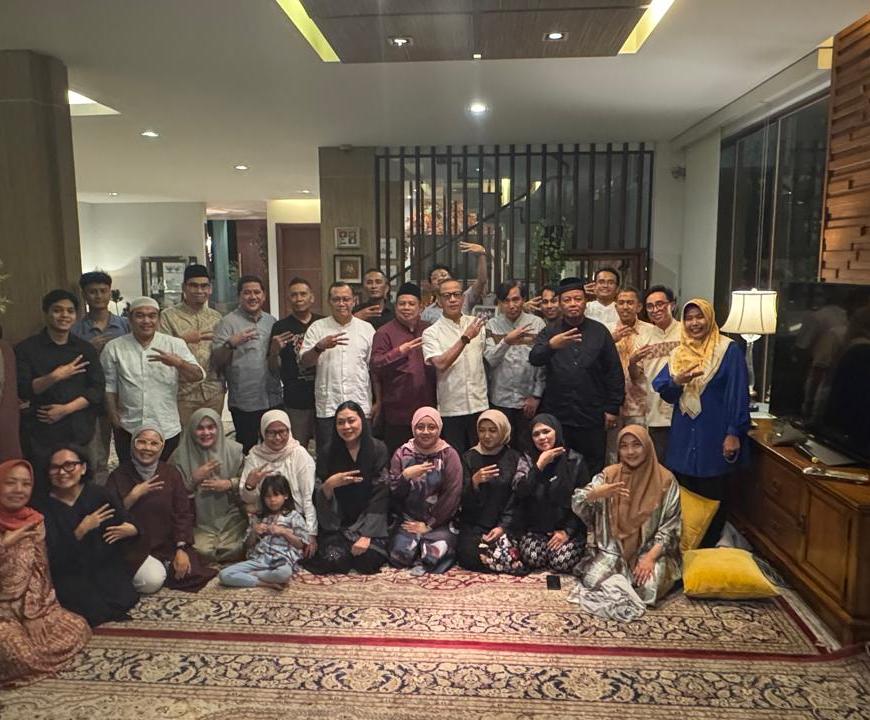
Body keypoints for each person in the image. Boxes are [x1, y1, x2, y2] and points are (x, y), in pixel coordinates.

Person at [652, 298, 750, 547]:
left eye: (700, 317)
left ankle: (708, 549)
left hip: (714, 434)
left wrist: (733, 432)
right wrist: (678, 381)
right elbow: (665, 391)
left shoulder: (727, 350)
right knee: (684, 493)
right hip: (684, 436)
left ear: (710, 318)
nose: (694, 323)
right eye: (689, 318)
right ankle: (685, 547)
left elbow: (738, 394)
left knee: (714, 492)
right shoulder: (679, 353)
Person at [0, 459, 90, 688]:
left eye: (25, 484)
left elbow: (40, 569)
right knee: (15, 652)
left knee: (78, 627)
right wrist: (5, 544)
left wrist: (33, 614)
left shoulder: (34, 520)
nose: (19, 490)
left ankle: (33, 657)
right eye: (11, 483)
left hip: (28, 604)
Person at [571, 425, 682, 608]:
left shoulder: (666, 480)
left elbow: (671, 527)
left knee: (647, 589)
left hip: (650, 551)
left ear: (647, 446)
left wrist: (650, 558)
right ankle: (620, 580)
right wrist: (595, 494)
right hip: (613, 550)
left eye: (636, 445)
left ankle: (626, 581)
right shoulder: (610, 474)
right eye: (624, 446)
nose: (630, 452)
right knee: (591, 581)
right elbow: (578, 501)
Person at [529, 277, 624, 475]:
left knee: (593, 465)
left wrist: (612, 408)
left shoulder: (599, 332)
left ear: (585, 302)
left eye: (578, 299)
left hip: (592, 413)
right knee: (559, 466)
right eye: (567, 300)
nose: (573, 304)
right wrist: (552, 346)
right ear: (560, 303)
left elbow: (614, 372)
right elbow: (534, 358)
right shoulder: (550, 332)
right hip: (558, 415)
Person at [106, 426, 216, 592]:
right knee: (151, 582)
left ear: (162, 447)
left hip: (166, 544)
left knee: (189, 572)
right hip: (132, 545)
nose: (147, 448)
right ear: (133, 444)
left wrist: (181, 548)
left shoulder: (170, 474)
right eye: (141, 442)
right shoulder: (118, 475)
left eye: (154, 443)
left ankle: (160, 566)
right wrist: (133, 496)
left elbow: (183, 512)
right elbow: (108, 515)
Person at [41, 446, 140, 626]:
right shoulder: (43, 505)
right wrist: (81, 530)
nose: (62, 472)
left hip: (104, 565)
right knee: (85, 609)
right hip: (67, 571)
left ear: (83, 468)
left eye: (69, 465)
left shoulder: (99, 494)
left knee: (125, 597)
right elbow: (51, 554)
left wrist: (132, 529)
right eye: (55, 467)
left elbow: (126, 520)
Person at [15, 289, 104, 486]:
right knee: (43, 484)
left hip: (78, 430)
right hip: (41, 432)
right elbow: (24, 390)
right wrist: (55, 376)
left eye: (70, 311)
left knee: (82, 484)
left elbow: (97, 390)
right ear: (46, 313)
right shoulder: (26, 349)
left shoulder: (85, 349)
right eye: (57, 310)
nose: (64, 315)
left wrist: (66, 409)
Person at [102, 296, 205, 462]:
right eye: (140, 315)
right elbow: (109, 386)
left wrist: (178, 363)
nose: (146, 321)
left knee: (166, 473)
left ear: (159, 319)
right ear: (130, 319)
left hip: (166, 426)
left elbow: (198, 375)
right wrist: (114, 418)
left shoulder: (174, 344)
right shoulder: (114, 347)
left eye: (152, 316)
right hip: (128, 426)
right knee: (128, 473)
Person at [306, 401, 390, 575]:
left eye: (351, 420)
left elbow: (381, 493)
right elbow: (318, 492)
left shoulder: (378, 449)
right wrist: (330, 484)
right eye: (340, 422)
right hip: (339, 524)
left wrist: (367, 535)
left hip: (369, 520)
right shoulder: (327, 452)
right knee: (334, 559)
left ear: (362, 421)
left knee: (367, 562)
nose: (346, 427)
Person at [299, 281, 376, 451]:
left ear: (354, 301)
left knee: (362, 453)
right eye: (336, 299)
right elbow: (305, 362)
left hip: (359, 403)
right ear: (329, 301)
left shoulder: (367, 329)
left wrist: (378, 401)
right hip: (329, 406)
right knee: (328, 454)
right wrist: (319, 347)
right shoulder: (317, 327)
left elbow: (374, 369)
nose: (341, 303)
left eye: (346, 299)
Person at [211, 275, 283, 453]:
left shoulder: (272, 321)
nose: (253, 297)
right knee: (248, 450)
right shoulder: (227, 323)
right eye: (247, 293)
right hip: (245, 401)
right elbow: (216, 360)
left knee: (275, 447)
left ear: (264, 296)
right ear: (239, 296)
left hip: (272, 397)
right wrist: (231, 343)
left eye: (257, 292)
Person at [71, 270, 130, 484]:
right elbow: (69, 364)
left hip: (123, 397)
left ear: (110, 292)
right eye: (92, 292)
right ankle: (100, 494)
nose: (98, 296)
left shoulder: (125, 325)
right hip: (92, 399)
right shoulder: (76, 330)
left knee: (129, 452)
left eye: (103, 291)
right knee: (97, 455)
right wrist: (89, 349)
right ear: (84, 295)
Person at [388, 406, 462, 573]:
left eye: (431, 427)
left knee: (432, 558)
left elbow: (452, 494)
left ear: (439, 428)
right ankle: (416, 547)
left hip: (440, 521)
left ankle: (425, 548)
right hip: (408, 520)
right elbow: (394, 493)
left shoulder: (449, 455)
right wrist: (405, 476)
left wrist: (430, 524)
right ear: (413, 428)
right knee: (399, 556)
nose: (426, 432)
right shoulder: (402, 454)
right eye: (420, 427)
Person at [514, 414, 590, 574]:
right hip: (537, 529)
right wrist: (539, 466)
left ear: (556, 431)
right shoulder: (528, 459)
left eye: (546, 431)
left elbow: (584, 502)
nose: (542, 437)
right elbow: (520, 492)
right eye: (536, 434)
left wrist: (567, 531)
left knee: (561, 561)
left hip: (567, 528)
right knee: (533, 557)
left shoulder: (575, 460)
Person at [170, 408, 247, 563]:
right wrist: (193, 480)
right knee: (201, 550)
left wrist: (229, 483)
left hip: (231, 517)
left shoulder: (234, 451)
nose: (206, 433)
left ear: (219, 428)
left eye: (211, 427)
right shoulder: (179, 456)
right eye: (200, 428)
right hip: (198, 520)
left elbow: (248, 483)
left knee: (236, 548)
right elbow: (170, 495)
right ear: (192, 430)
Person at [457, 410, 529, 574]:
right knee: (468, 555)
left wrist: (503, 527)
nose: (487, 436)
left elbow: (517, 498)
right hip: (475, 526)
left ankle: (502, 558)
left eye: (493, 430)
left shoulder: (514, 457)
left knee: (524, 552)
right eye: (482, 430)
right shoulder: (468, 457)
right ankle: (503, 560)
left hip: (506, 525)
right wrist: (474, 482)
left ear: (503, 431)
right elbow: (462, 501)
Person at [422, 279, 488, 453]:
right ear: (439, 300)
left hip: (479, 404)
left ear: (463, 298)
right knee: (455, 459)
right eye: (447, 296)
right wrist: (465, 338)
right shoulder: (431, 332)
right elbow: (440, 364)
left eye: (457, 294)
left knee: (481, 456)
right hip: (451, 409)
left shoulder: (477, 324)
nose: (452, 299)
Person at [370, 282, 436, 454]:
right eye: (402, 303)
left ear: (421, 307)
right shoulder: (384, 332)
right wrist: (399, 351)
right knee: (399, 457)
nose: (406, 307)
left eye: (411, 304)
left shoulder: (429, 329)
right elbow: (376, 364)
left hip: (427, 408)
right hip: (397, 411)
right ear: (395, 306)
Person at [238, 410, 317, 549]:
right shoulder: (255, 456)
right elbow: (248, 501)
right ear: (263, 433)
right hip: (264, 518)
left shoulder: (299, 454)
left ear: (289, 430)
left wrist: (311, 533)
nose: (277, 438)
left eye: (282, 432)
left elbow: (308, 496)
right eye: (271, 433)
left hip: (294, 519)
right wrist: (250, 485)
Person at [158, 265, 225, 425]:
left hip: (213, 391)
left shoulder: (217, 317)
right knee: (185, 437)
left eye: (204, 286)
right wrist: (183, 339)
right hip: (183, 393)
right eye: (194, 285)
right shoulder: (168, 316)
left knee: (211, 435)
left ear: (210, 289)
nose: (199, 290)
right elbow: (161, 352)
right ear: (184, 287)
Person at [484, 280, 545, 454]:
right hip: (500, 399)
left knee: (528, 450)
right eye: (506, 301)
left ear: (523, 299)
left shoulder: (538, 324)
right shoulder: (491, 325)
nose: (511, 305)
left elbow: (542, 364)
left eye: (516, 299)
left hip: (528, 400)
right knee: (501, 449)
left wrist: (536, 395)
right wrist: (506, 341)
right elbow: (490, 359)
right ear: (499, 303)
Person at [218, 475, 309, 590]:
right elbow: (247, 545)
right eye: (268, 496)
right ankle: (266, 583)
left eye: (276, 495)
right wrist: (254, 532)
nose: (272, 500)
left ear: (285, 496)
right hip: (259, 559)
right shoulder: (259, 517)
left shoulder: (294, 516)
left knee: (284, 574)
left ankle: (251, 575)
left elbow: (301, 545)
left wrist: (284, 532)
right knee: (224, 575)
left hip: (281, 560)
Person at [268, 277, 323, 448]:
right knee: (296, 448)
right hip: (296, 399)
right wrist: (274, 351)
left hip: (324, 397)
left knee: (326, 448)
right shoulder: (280, 327)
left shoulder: (322, 324)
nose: (298, 299)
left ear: (312, 297)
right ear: (288, 299)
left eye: (303, 294)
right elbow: (273, 369)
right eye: (294, 295)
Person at [606, 286, 655, 463]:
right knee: (612, 454)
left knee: (639, 452)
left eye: (630, 303)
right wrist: (610, 340)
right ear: (615, 306)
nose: (625, 307)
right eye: (621, 303)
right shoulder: (605, 331)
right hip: (613, 405)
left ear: (639, 307)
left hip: (640, 404)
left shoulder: (651, 331)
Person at [633, 285, 681, 462]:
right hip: (656, 414)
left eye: (660, 304)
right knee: (661, 467)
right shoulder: (643, 337)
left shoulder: (686, 332)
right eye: (650, 306)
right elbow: (636, 376)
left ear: (672, 305)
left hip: (684, 410)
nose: (655, 310)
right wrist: (632, 361)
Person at [420, 242, 489, 323]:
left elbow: (482, 280)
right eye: (435, 278)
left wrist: (481, 255)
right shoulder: (427, 313)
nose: (440, 278)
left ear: (452, 279)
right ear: (431, 286)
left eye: (443, 275)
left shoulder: (464, 299)